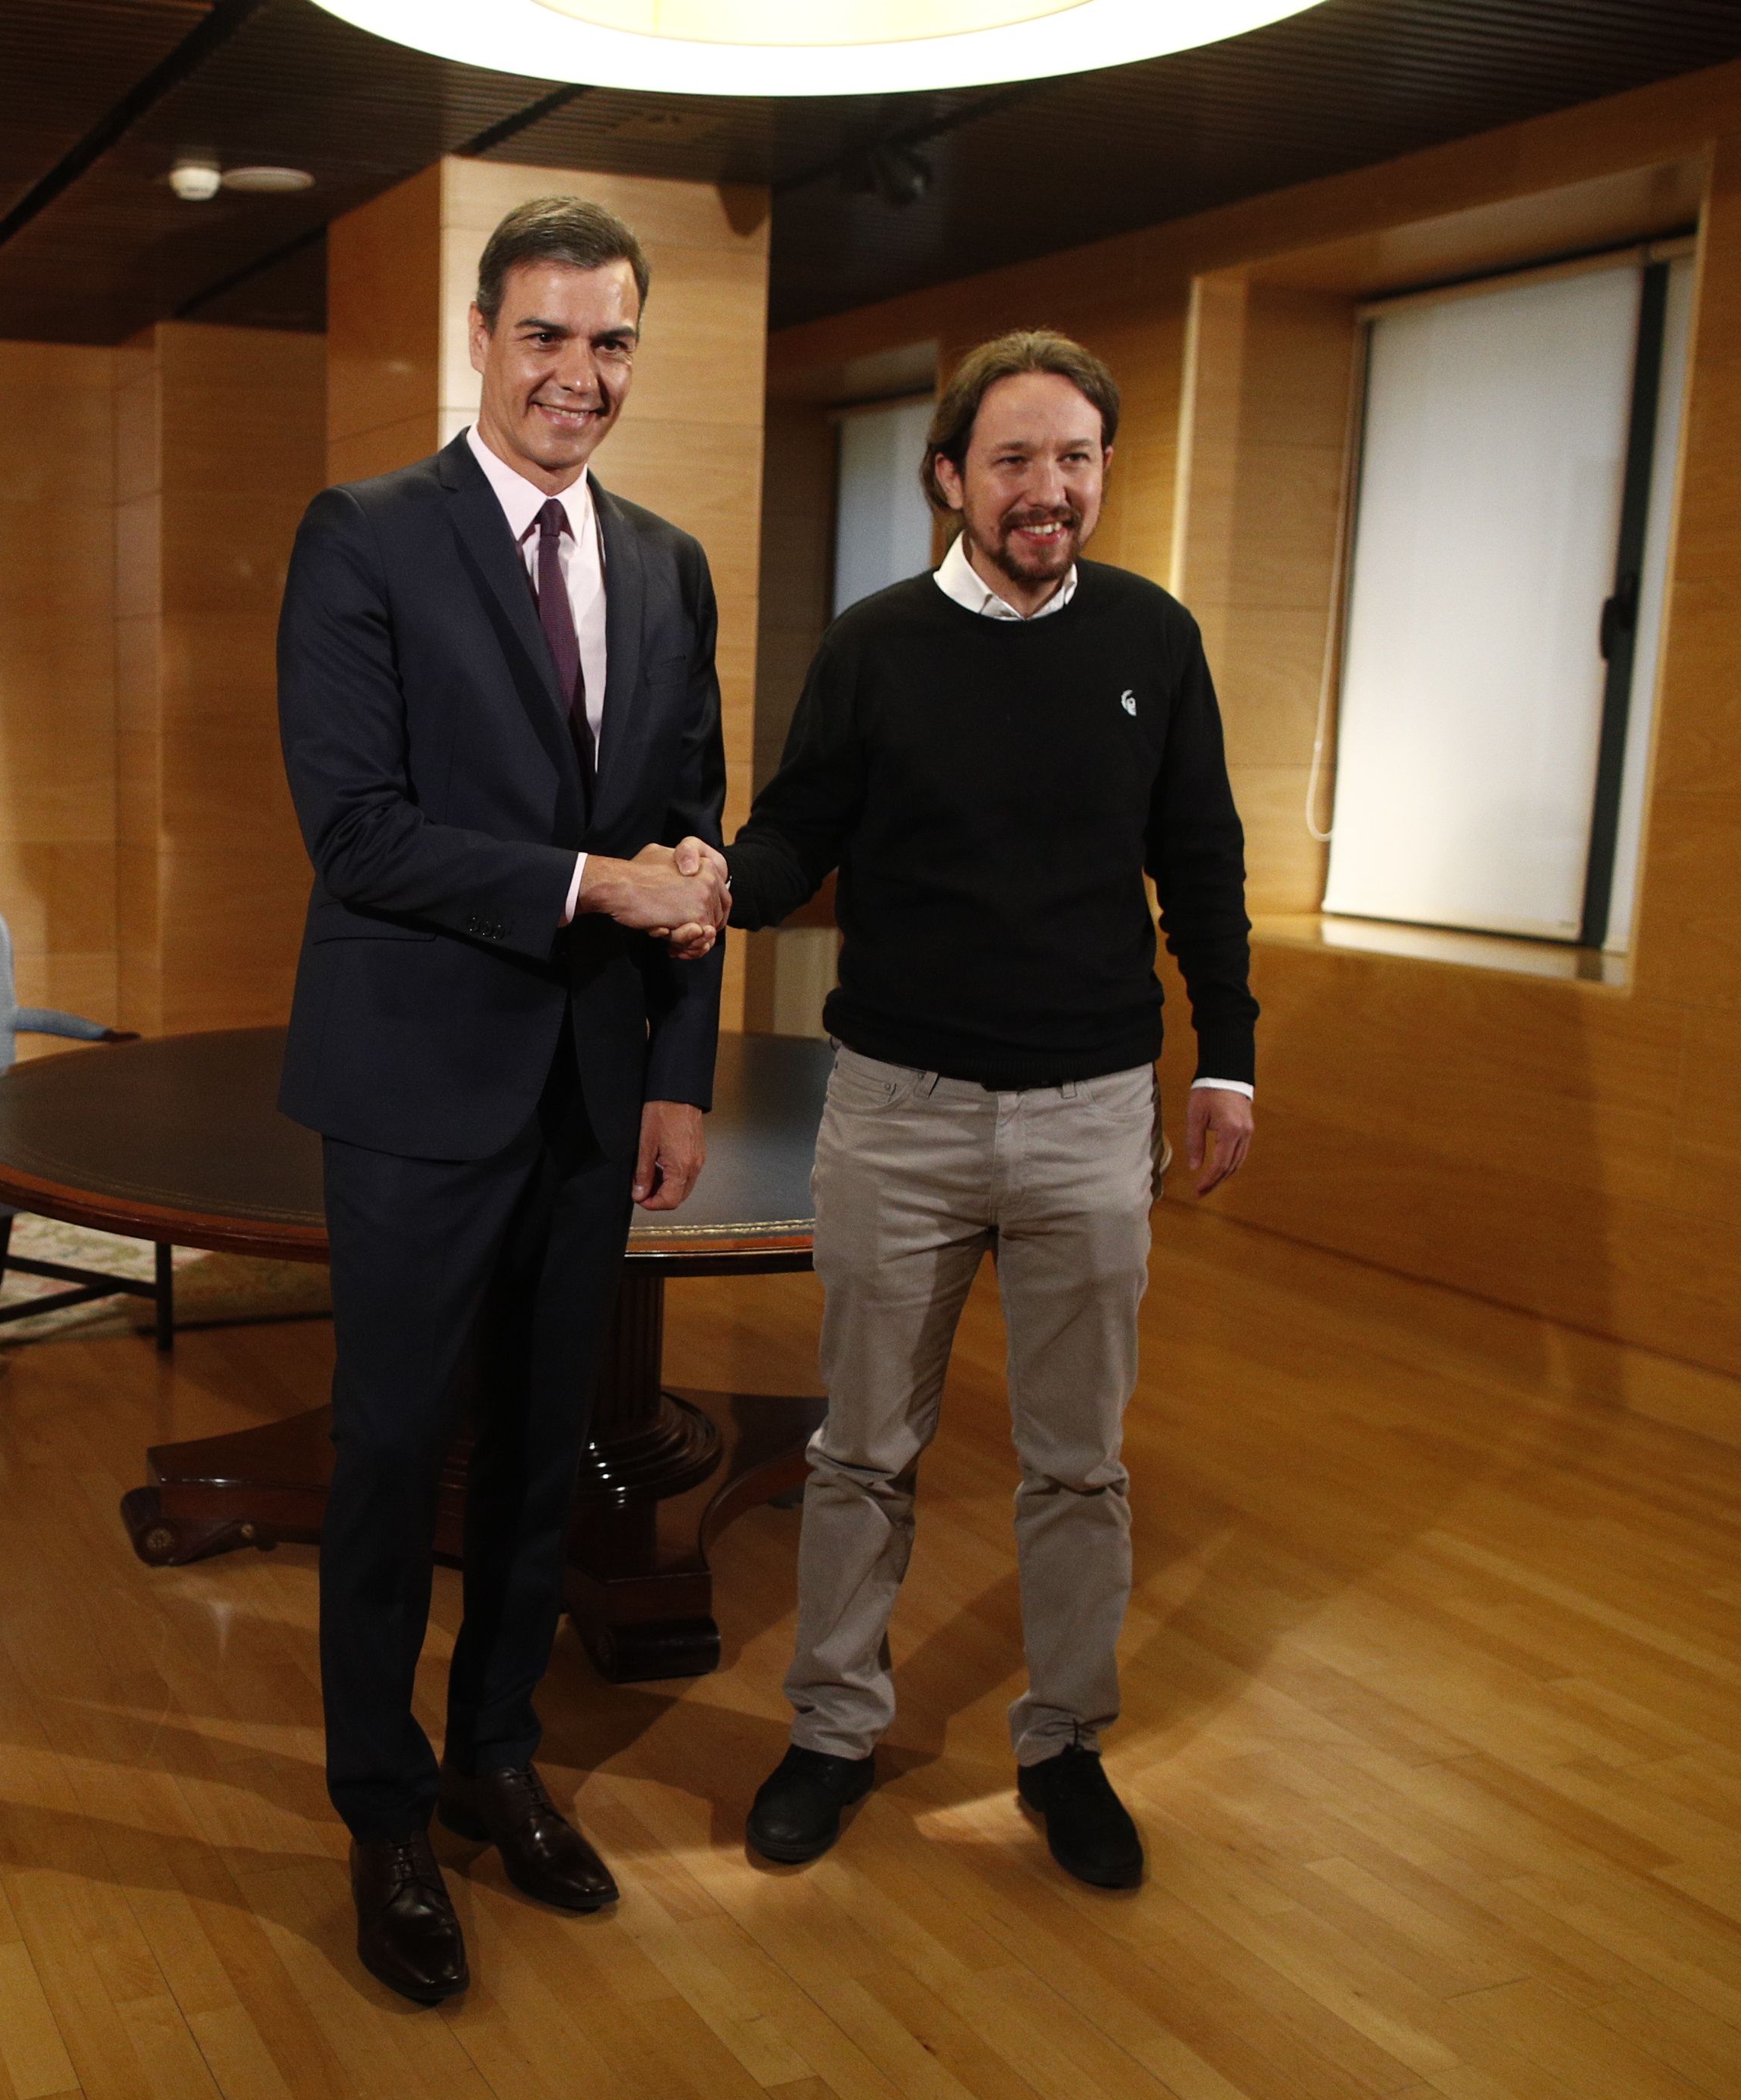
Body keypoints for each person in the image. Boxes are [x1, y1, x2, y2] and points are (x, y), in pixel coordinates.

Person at [697, 328, 1255, 1890]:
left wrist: (1229, 1054)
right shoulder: (877, 645)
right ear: (950, 477)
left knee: (1080, 1463)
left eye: (1075, 458)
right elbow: (802, 828)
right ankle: (830, 1730)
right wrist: (713, 884)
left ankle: (1064, 1741)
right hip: (901, 1108)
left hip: (1092, 1114)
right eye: (1014, 459)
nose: (1048, 490)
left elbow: (1199, 860)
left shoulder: (1154, 637)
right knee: (862, 1449)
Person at [276, 195, 732, 2004]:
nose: (579, 374)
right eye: (546, 335)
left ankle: (498, 1763)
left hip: (592, 1094)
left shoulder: (675, 564)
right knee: (394, 1459)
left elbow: (694, 842)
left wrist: (678, 1076)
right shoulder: (367, 536)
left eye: (611, 341)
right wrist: (582, 884)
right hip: (411, 1086)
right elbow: (358, 830)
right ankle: (385, 1811)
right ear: (478, 336)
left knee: (549, 1453)